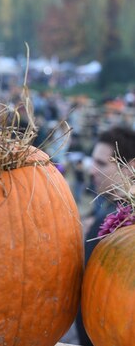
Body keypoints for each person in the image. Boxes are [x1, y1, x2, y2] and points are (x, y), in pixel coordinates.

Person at [75, 126, 135, 345]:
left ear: (131, 167)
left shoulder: (124, 223)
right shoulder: (103, 210)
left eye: (101, 163)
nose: (92, 170)